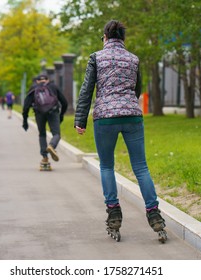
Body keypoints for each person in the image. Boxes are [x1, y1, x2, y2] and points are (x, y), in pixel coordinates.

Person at [74, 20, 166, 241]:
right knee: (141, 167)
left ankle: (113, 212)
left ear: (105, 37)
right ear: (123, 38)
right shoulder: (134, 59)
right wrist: (126, 104)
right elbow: (137, 88)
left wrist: (81, 119)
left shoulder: (96, 57)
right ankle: (154, 215)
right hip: (132, 116)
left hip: (105, 118)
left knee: (107, 166)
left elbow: (87, 89)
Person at [22, 74, 68, 169]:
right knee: (56, 134)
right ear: (48, 80)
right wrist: (61, 114)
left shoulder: (34, 88)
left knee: (42, 134)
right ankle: (52, 145)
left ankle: (45, 157)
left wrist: (25, 120)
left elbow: (26, 106)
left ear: (37, 81)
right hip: (53, 112)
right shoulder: (53, 86)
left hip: (39, 113)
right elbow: (65, 102)